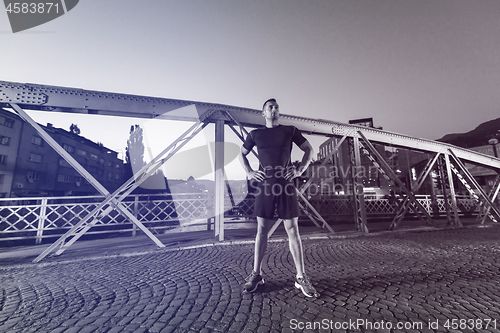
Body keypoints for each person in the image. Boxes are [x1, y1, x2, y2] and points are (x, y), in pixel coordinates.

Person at [238, 98, 319, 298]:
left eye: (276, 107)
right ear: (263, 113)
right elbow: (241, 154)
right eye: (270, 108)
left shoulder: (290, 130)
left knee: (293, 230)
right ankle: (256, 275)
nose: (274, 110)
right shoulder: (255, 134)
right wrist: (249, 172)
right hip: (265, 185)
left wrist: (300, 169)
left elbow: (309, 149)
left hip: (286, 184)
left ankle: (301, 277)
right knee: (262, 231)